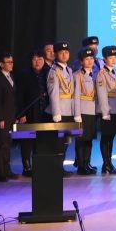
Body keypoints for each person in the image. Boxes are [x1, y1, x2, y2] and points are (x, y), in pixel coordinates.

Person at [47, 41, 78, 173]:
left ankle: (61, 167)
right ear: (56, 54)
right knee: (58, 142)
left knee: (66, 141)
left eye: (66, 52)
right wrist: (56, 112)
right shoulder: (53, 71)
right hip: (60, 111)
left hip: (69, 111)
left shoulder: (69, 70)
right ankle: (56, 168)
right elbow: (53, 93)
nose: (64, 55)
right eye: (61, 53)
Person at [16, 49, 48, 177]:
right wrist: (21, 114)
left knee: (40, 141)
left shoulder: (47, 73)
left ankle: (39, 166)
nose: (37, 62)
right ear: (31, 61)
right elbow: (19, 96)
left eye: (40, 59)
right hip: (29, 112)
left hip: (44, 112)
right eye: (35, 59)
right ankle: (27, 167)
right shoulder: (24, 74)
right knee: (27, 141)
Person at [95, 45, 116, 175]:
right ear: (105, 59)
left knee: (111, 137)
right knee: (106, 137)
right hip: (108, 109)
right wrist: (105, 112)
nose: (114, 60)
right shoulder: (102, 74)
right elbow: (102, 94)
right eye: (111, 58)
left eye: (115, 57)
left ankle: (107, 163)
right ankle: (106, 163)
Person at [0, 52, 20, 181]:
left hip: (11, 116)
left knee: (8, 144)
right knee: (0, 145)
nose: (11, 64)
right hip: (3, 118)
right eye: (8, 62)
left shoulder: (11, 77)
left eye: (12, 62)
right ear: (1, 64)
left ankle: (7, 170)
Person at [73, 47, 99, 175]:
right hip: (82, 111)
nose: (90, 61)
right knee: (81, 139)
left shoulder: (96, 74)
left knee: (89, 138)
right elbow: (76, 96)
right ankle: (81, 165)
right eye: (87, 59)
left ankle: (87, 163)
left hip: (93, 111)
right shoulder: (77, 75)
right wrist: (77, 114)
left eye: (91, 58)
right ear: (81, 61)